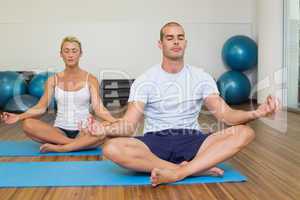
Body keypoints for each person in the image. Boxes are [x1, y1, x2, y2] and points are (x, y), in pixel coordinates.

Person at [80, 22, 280, 186]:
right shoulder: (145, 80)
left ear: (185, 43)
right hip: (155, 141)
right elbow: (129, 124)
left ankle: (179, 172)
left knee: (245, 133)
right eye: (170, 38)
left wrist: (257, 112)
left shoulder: (201, 77)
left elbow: (226, 115)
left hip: (193, 139)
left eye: (180, 37)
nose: (176, 42)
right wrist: (104, 130)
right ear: (160, 44)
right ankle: (189, 170)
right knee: (111, 148)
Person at [1, 36, 116, 153]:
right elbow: (40, 107)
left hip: (84, 131)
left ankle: (64, 147)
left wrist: (114, 121)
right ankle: (77, 144)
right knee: (28, 124)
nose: (70, 55)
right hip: (59, 131)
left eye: (74, 51)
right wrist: (18, 117)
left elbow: (98, 108)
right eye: (66, 51)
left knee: (106, 127)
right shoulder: (52, 80)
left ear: (80, 54)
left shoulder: (91, 79)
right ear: (61, 54)